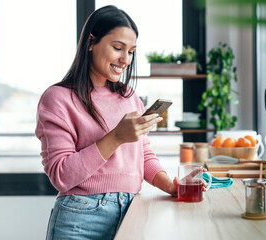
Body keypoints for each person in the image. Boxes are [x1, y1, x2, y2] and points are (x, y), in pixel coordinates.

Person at [35, 5, 203, 240]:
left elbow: (142, 154)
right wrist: (115, 137)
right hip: (80, 218)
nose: (125, 59)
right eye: (118, 48)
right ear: (91, 42)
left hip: (131, 210)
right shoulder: (57, 99)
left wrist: (171, 186)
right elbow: (60, 175)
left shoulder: (128, 97)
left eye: (132, 51)